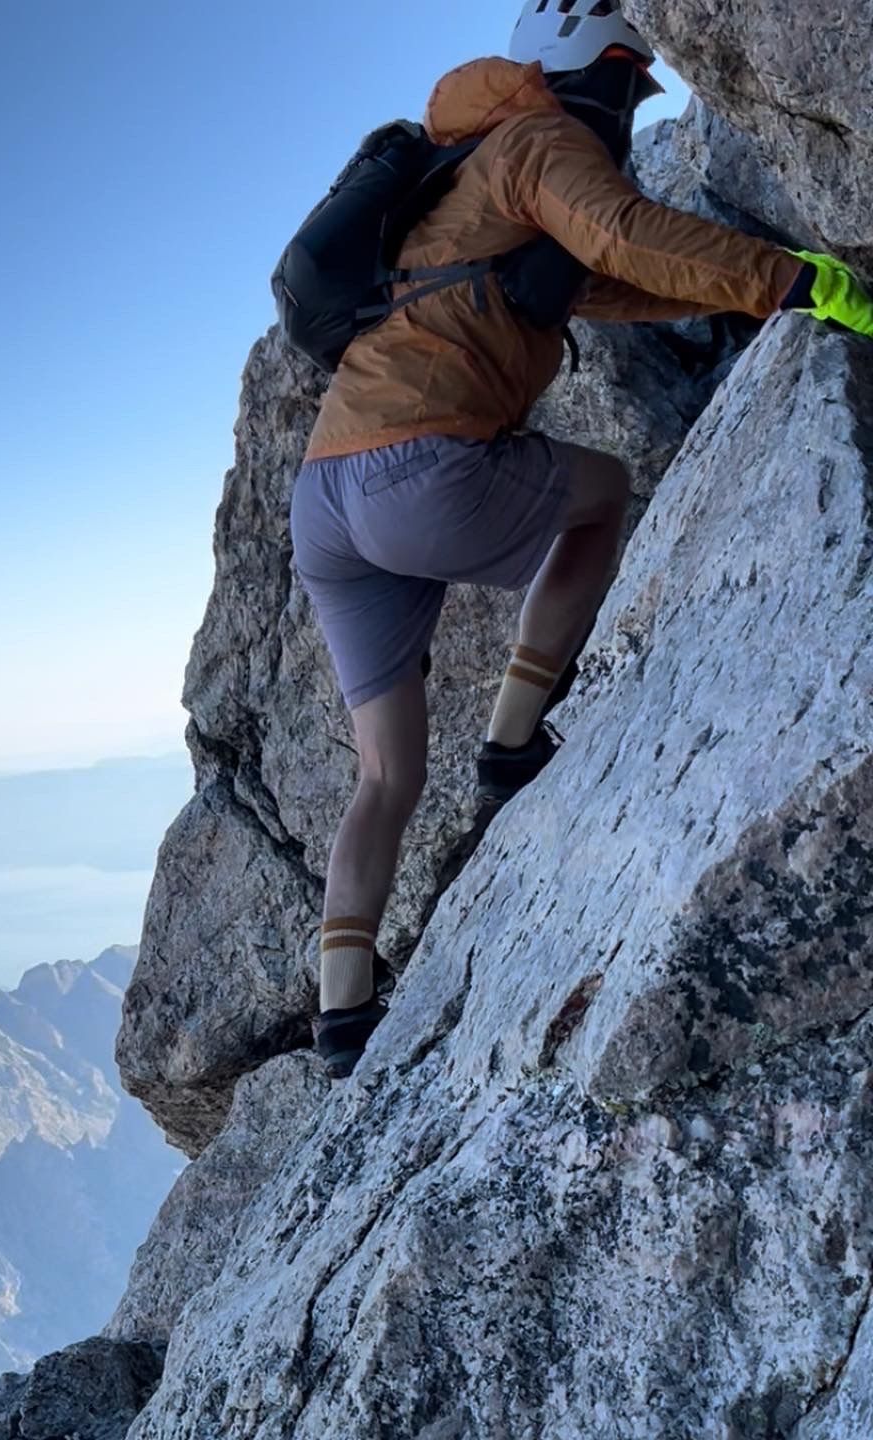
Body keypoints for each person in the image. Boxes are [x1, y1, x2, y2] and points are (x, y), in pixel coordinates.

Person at [292, 0, 873, 1080]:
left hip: (326, 500)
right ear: (586, 69)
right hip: (419, 470)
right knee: (601, 493)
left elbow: (604, 282)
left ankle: (342, 1015)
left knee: (385, 775)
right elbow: (625, 233)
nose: (629, 100)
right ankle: (515, 740)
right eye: (626, 79)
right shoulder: (540, 139)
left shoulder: (467, 170)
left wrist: (734, 301)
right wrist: (804, 284)